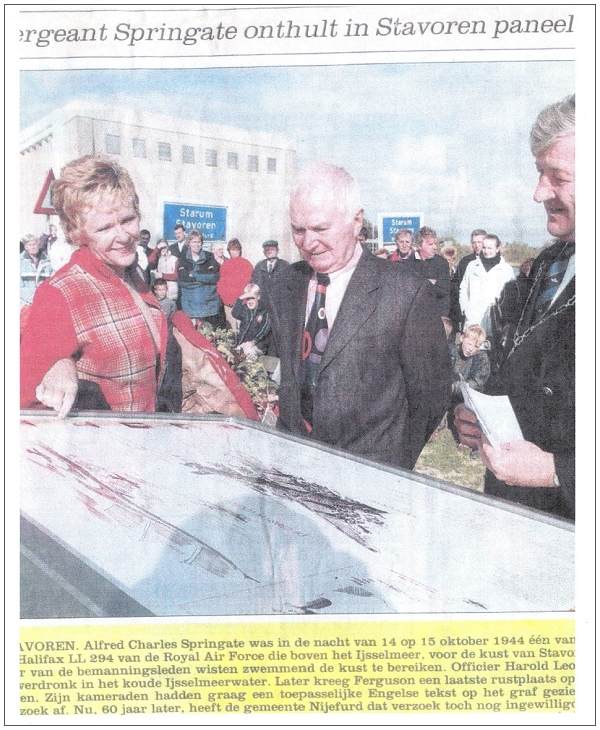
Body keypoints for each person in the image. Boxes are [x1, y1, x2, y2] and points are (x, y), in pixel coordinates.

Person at [268, 162, 451, 470]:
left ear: (356, 222)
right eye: (298, 230)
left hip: (370, 474)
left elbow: (431, 397)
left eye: (320, 228)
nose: (308, 243)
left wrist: (393, 464)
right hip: (294, 465)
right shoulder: (285, 284)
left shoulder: (405, 293)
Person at [455, 94, 575, 519]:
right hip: (513, 517)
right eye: (539, 173)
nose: (539, 192)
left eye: (557, 177)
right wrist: (477, 416)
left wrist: (557, 470)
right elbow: (522, 364)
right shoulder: (549, 265)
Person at [20, 155, 169, 415]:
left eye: (127, 220)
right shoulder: (59, 294)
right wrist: (59, 364)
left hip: (149, 442)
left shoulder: (131, 273)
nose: (123, 236)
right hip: (102, 450)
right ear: (78, 234)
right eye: (104, 228)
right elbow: (25, 402)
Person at [459, 234, 515, 334]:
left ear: (497, 249)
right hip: (473, 320)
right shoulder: (472, 265)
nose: (486, 251)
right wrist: (465, 309)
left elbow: (512, 296)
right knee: (470, 348)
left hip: (495, 322)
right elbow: (463, 289)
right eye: (484, 247)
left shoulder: (507, 270)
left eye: (490, 248)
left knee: (492, 347)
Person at [177, 230, 224, 328]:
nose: (197, 244)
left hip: (208, 305)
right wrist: (204, 280)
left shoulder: (209, 256)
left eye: (199, 242)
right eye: (194, 242)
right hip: (190, 306)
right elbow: (182, 279)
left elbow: (214, 277)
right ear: (189, 243)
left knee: (208, 335)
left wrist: (194, 275)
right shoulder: (183, 258)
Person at [450, 229, 487, 331]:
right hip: (469, 313)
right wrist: (463, 309)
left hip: (487, 313)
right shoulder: (465, 262)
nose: (477, 245)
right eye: (474, 242)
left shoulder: (493, 262)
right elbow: (457, 286)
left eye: (479, 242)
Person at [413, 226, 451, 317]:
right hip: (414, 316)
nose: (435, 247)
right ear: (419, 246)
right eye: (430, 244)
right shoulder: (409, 263)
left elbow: (444, 290)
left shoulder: (442, 263)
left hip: (436, 315)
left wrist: (420, 283)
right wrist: (430, 282)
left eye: (435, 243)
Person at [217, 238, 254, 331]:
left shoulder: (247, 264)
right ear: (229, 251)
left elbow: (250, 284)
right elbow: (221, 285)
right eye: (232, 249)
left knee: (244, 329)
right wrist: (226, 301)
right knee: (232, 330)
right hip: (229, 304)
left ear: (240, 250)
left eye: (236, 249)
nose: (234, 252)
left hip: (243, 304)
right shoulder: (225, 265)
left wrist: (244, 300)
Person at [449, 324, 490, 402]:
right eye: (469, 344)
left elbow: (476, 382)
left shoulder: (482, 359)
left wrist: (454, 387)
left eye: (476, 346)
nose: (471, 349)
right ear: (462, 338)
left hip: (468, 398)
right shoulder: (452, 350)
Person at [232, 283, 271, 358]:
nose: (250, 301)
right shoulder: (245, 309)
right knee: (235, 353)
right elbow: (235, 313)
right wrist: (240, 298)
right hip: (243, 343)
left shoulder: (263, 311)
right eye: (247, 299)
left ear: (258, 297)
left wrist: (254, 342)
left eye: (252, 298)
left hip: (258, 345)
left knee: (249, 351)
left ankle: (253, 368)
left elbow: (264, 330)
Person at [20, 234, 53, 305]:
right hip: (25, 303)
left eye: (34, 244)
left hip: (44, 301)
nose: (33, 247)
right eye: (30, 245)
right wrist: (35, 298)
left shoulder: (47, 261)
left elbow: (51, 280)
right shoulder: (20, 262)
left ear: (38, 245)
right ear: (26, 247)